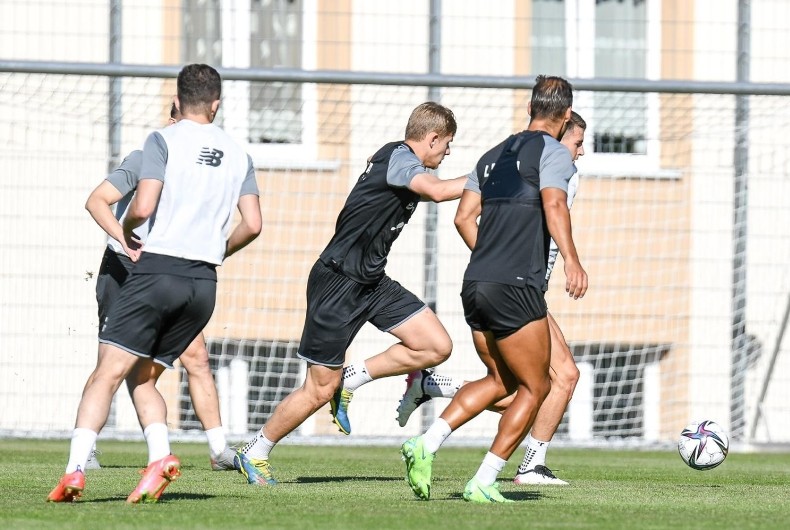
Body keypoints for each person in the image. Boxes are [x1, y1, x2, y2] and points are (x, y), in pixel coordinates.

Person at [47, 63, 262, 503]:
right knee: (143, 377)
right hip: (203, 284)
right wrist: (217, 250)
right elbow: (254, 223)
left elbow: (142, 207)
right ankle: (161, 456)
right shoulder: (240, 154)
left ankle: (74, 469)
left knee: (106, 374)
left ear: (177, 102)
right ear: (217, 104)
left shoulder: (162, 141)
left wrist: (129, 232)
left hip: (156, 272)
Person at [234, 102, 466, 486]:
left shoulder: (400, 165)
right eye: (448, 144)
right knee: (318, 389)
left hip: (372, 282)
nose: (448, 152)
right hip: (337, 283)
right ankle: (255, 451)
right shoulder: (400, 158)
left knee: (435, 345)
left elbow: (432, 191)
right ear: (433, 138)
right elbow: (439, 192)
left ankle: (353, 377)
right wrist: (491, 177)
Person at [401, 75, 588, 503]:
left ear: (529, 110)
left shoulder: (490, 156)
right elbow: (555, 203)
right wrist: (572, 260)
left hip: (476, 282)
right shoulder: (554, 152)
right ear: (563, 116)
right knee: (535, 387)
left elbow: (463, 218)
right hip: (515, 285)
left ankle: (425, 444)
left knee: (501, 380)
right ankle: (485, 478)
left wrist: (490, 256)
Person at [82, 102, 238, 473]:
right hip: (124, 269)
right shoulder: (147, 157)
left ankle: (219, 450)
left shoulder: (200, 168)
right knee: (113, 364)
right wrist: (124, 237)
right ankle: (85, 447)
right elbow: (97, 200)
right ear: (173, 120)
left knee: (196, 357)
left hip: (167, 272)